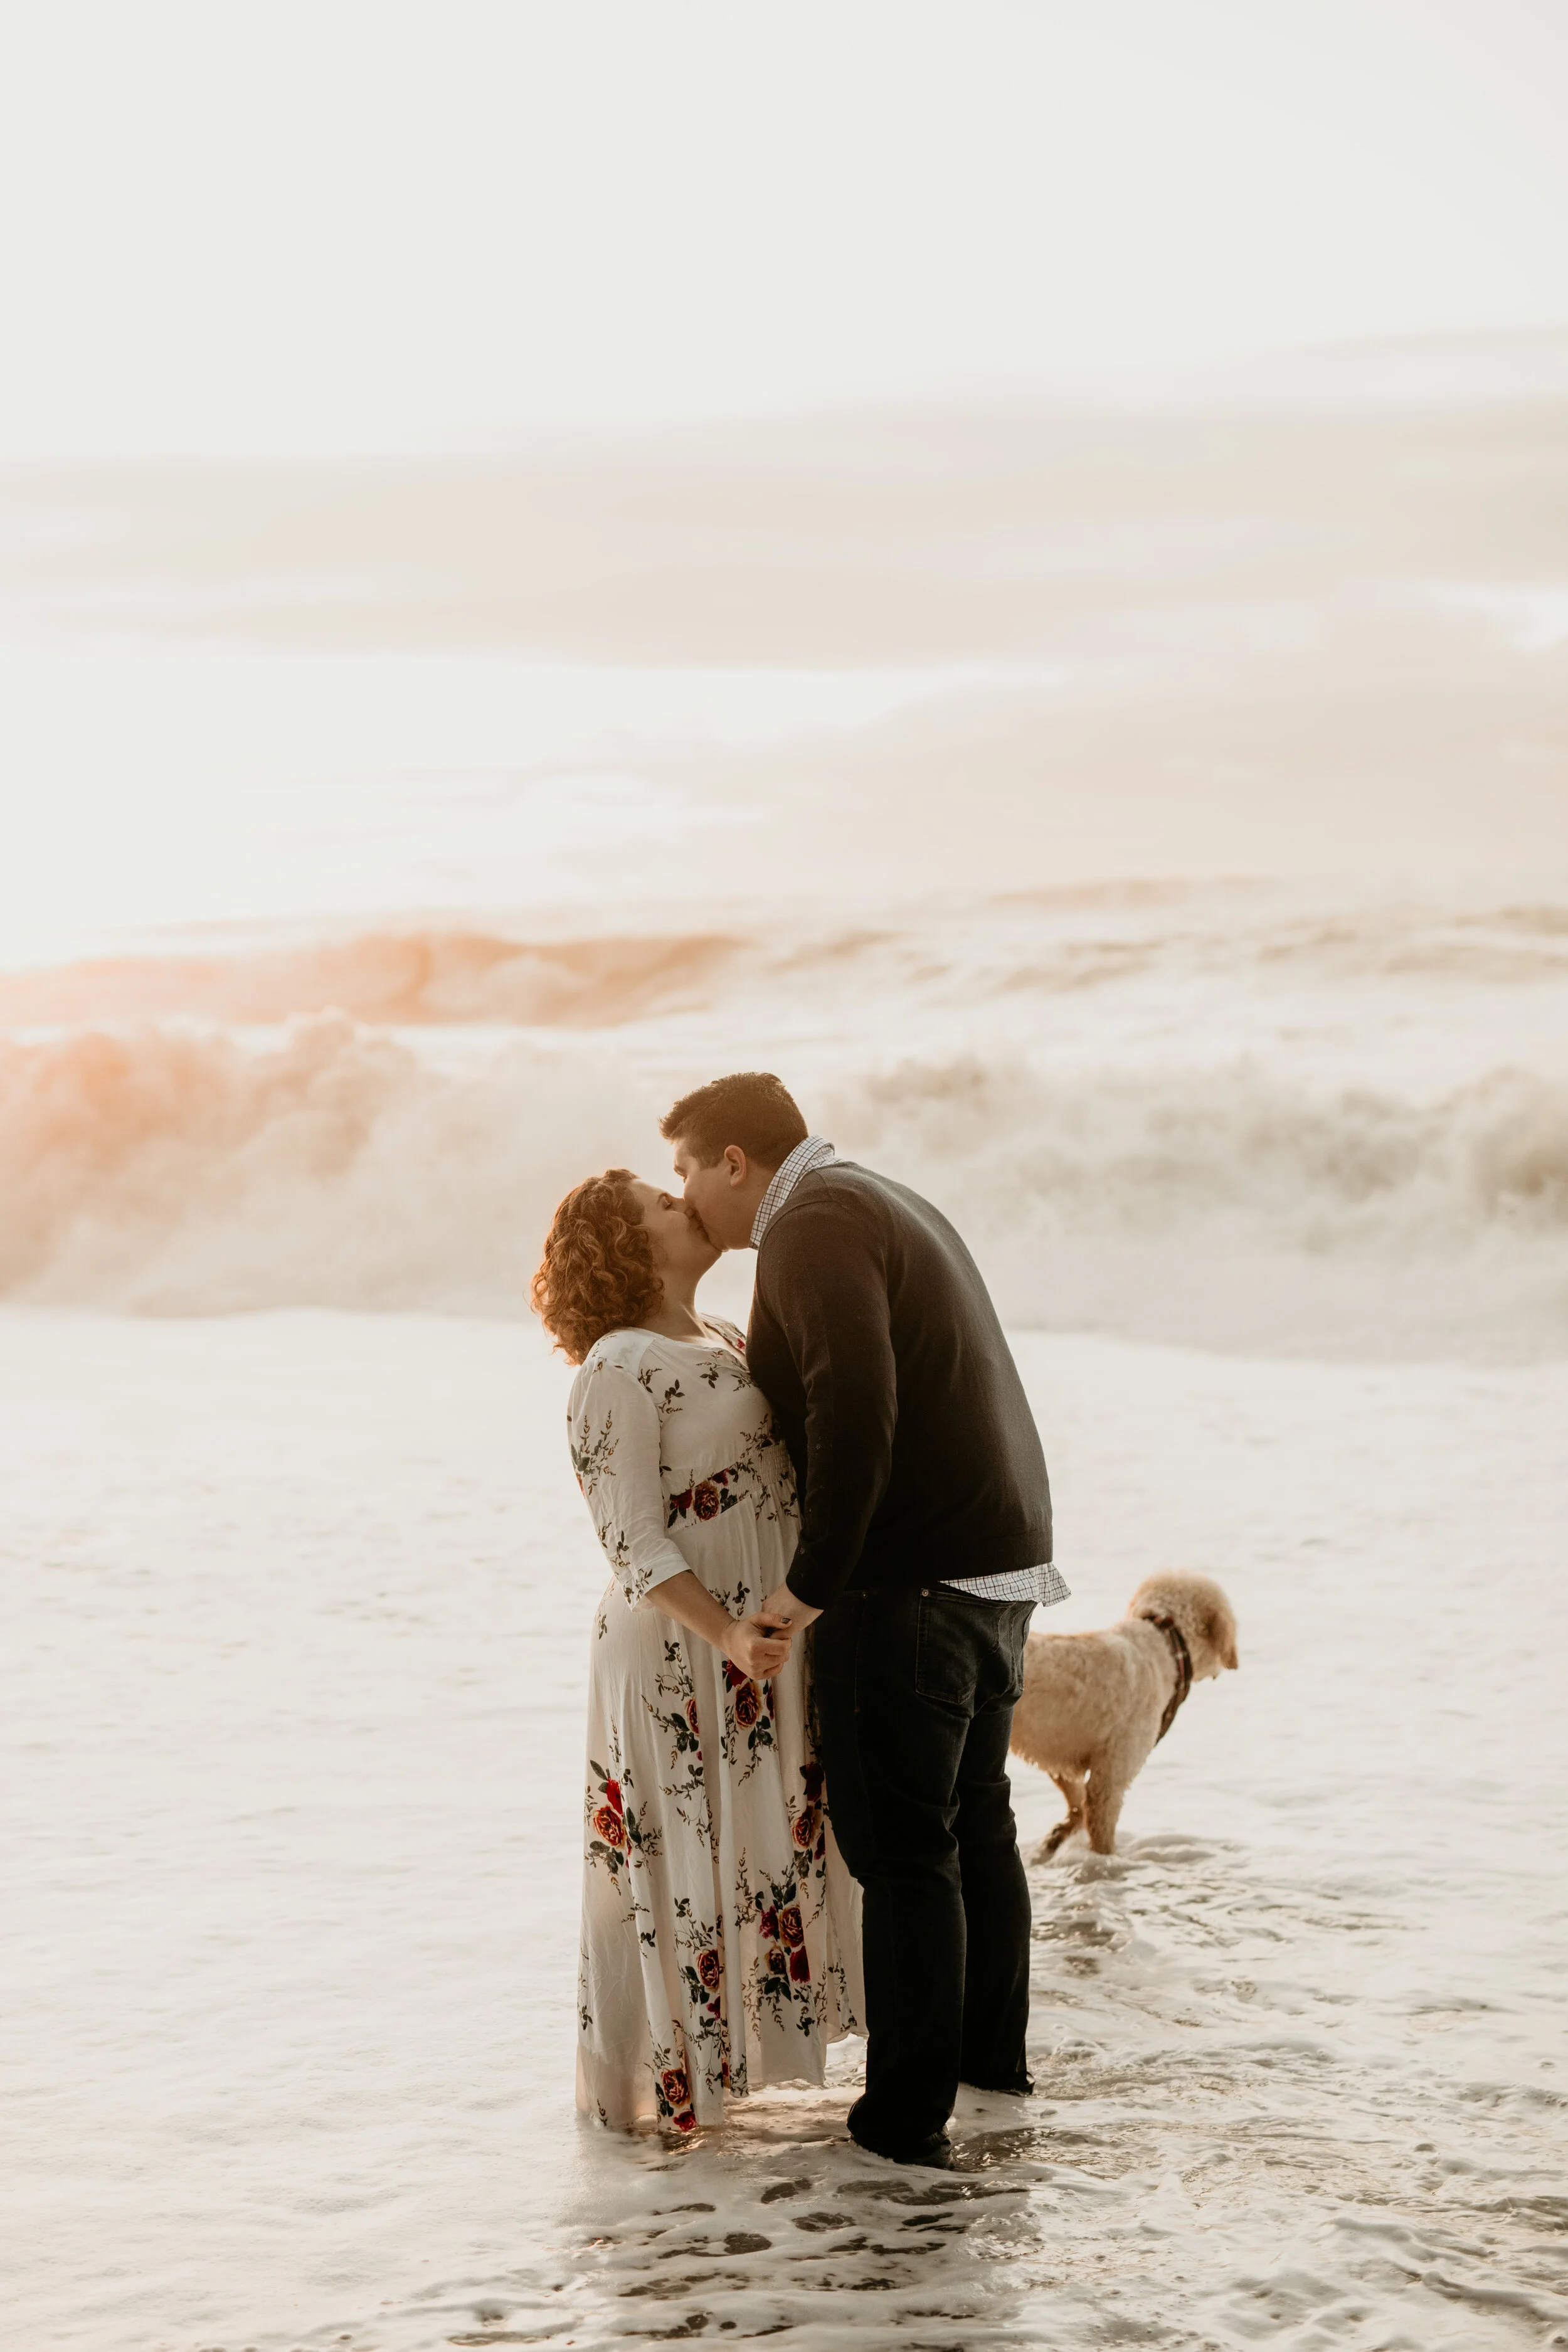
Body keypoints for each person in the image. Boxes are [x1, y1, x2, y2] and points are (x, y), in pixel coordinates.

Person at [662, 1072, 1066, 2169]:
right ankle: (990, 2075)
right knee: (972, 1825)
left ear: (735, 1161)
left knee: (902, 1853)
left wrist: (808, 1585)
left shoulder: (813, 1222)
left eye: (689, 1168)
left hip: (916, 1581)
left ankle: (902, 2124)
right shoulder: (875, 1196)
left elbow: (857, 1406)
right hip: (997, 1565)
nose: (685, 1194)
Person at [533, 1167, 862, 2133]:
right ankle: (667, 2110)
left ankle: (742, 2086)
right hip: (683, 1653)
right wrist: (726, 1632)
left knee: (756, 1844)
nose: (687, 1206)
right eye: (663, 1206)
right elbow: (631, 1538)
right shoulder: (616, 1365)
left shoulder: (718, 1337)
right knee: (681, 1849)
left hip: (752, 1647)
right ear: (630, 1249)